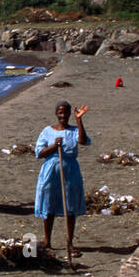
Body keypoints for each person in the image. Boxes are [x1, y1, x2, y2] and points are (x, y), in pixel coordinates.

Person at [34, 101, 90, 258]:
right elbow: (39, 153)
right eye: (60, 112)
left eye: (66, 112)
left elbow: (83, 141)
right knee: (49, 204)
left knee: (70, 206)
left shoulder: (74, 130)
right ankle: (47, 240)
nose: (63, 115)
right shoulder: (47, 131)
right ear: (56, 114)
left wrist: (79, 120)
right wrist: (53, 146)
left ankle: (69, 242)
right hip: (51, 172)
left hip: (70, 170)